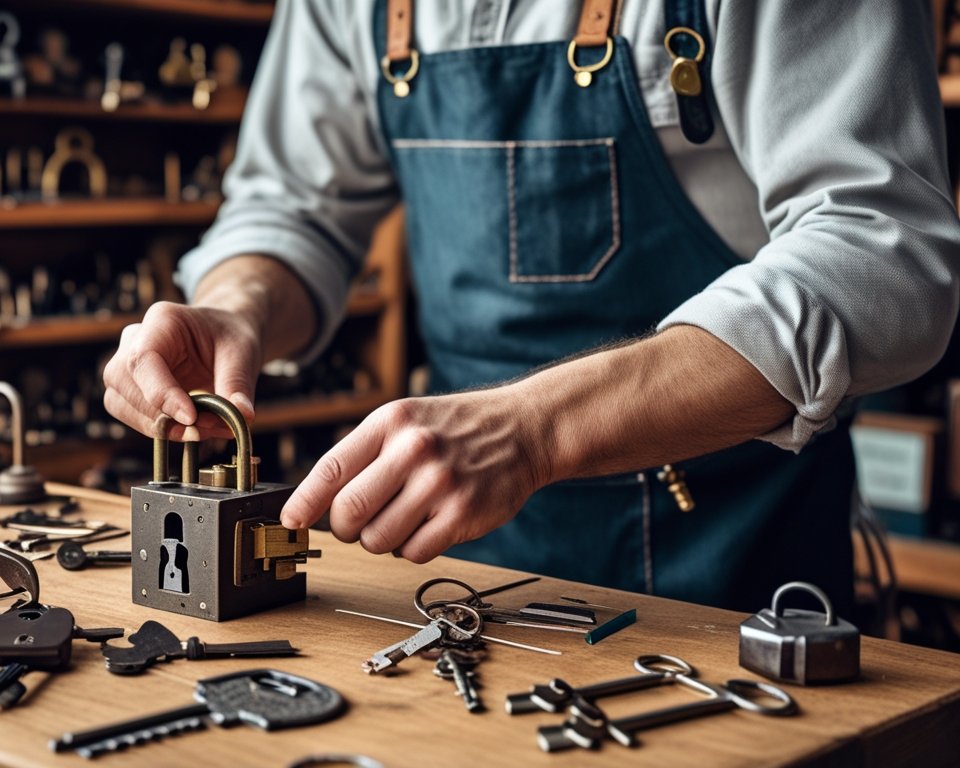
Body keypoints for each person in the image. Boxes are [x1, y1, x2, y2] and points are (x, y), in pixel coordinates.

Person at [103, 0, 960, 612]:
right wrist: (237, 308)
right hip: (457, 572)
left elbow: (886, 254)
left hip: (729, 563)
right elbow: (292, 208)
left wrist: (534, 430)